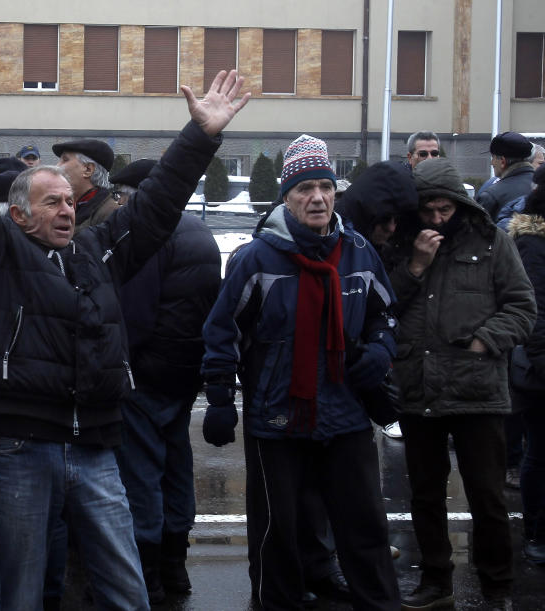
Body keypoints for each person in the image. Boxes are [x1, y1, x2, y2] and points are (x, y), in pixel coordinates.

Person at [0, 25, 249, 609]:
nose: (67, 209)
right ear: (18, 215)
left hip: (94, 445)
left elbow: (158, 206)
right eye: (51, 202)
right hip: (20, 447)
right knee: (20, 590)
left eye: (70, 200)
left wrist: (200, 137)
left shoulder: (97, 254)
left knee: (124, 589)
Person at [202, 134, 401, 610]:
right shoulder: (255, 258)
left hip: (347, 413)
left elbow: (386, 315)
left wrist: (379, 351)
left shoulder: (358, 252)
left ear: (336, 192)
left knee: (364, 529)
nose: (317, 197)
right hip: (278, 419)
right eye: (305, 188)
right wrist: (219, 400)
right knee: (277, 535)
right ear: (286, 197)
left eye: (325, 187)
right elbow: (221, 329)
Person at [389, 158, 535, 610]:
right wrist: (415, 264)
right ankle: (436, 581)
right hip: (420, 390)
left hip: (478, 392)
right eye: (428, 210)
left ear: (460, 206)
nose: (436, 219)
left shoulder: (493, 243)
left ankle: (497, 587)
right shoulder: (402, 243)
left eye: (444, 211)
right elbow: (384, 303)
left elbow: (522, 307)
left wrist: (484, 341)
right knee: (425, 495)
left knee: (487, 496)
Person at [105, 159, 222, 603]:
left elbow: (133, 315)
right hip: (184, 370)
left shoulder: (151, 237)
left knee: (142, 476)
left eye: (121, 197)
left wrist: (122, 365)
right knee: (176, 467)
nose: (118, 205)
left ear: (138, 197)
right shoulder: (200, 230)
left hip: (146, 374)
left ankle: (149, 573)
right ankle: (176, 567)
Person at [336, 160, 420, 441]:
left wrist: (381, 345)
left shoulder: (383, 246)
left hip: (361, 395)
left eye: (397, 220)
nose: (392, 229)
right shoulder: (345, 246)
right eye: (385, 220)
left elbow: (382, 311)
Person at [505, 163, 545, 566]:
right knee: (540, 453)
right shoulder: (532, 240)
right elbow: (534, 308)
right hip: (537, 366)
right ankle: (536, 531)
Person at [53, 138, 116, 233]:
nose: (57, 166)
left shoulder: (110, 214)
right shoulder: (68, 206)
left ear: (88, 170)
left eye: (65, 160)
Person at [477, 132, 535, 220]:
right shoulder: (541, 186)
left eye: (493, 158)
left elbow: (476, 232)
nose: (491, 163)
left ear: (503, 161)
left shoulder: (492, 196)